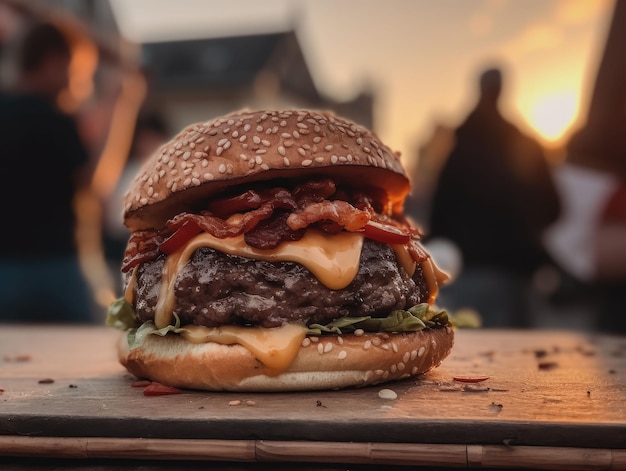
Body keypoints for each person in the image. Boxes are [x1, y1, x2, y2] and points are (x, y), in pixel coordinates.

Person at [427, 66, 561, 327]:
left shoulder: (458, 152)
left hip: (469, 275)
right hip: (517, 275)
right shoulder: (525, 144)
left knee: (473, 361)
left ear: (479, 90)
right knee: (522, 364)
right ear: (502, 91)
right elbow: (553, 207)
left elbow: (438, 214)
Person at [0, 21, 97, 323]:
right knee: (77, 359)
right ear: (52, 62)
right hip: (56, 268)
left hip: (5, 269)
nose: (73, 79)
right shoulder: (56, 119)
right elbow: (94, 183)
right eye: (72, 68)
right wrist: (123, 104)